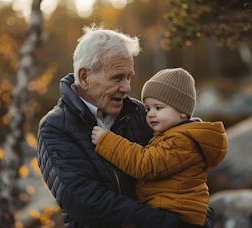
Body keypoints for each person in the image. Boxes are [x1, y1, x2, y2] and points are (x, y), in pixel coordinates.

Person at [36, 26, 186, 227]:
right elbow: (84, 201)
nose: (127, 87)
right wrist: (167, 223)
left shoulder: (142, 115)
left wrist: (199, 216)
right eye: (117, 77)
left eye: (129, 77)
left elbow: (186, 169)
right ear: (84, 77)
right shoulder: (55, 127)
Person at [91, 68, 228, 227]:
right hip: (169, 212)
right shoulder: (172, 136)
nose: (150, 114)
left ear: (182, 112)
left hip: (177, 216)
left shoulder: (181, 142)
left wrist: (107, 141)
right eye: (148, 108)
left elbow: (145, 164)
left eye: (158, 108)